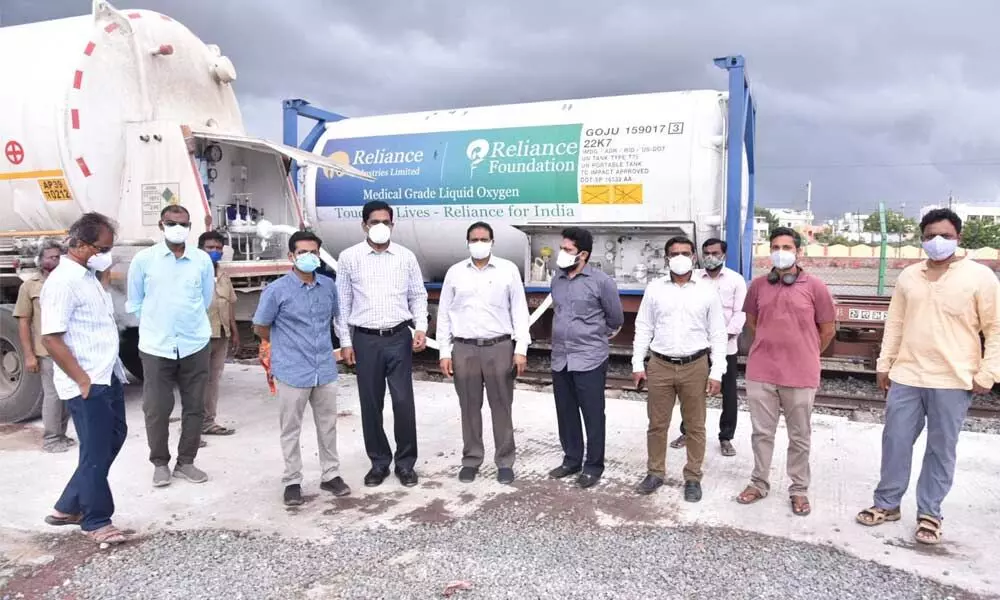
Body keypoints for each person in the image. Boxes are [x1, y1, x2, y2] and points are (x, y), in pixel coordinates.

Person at [856, 208, 1000, 545]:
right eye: (931, 235)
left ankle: (930, 513)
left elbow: (995, 329)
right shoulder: (909, 276)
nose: (938, 242)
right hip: (907, 374)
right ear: (922, 239)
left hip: (953, 378)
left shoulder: (980, 278)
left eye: (946, 236)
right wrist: (884, 364)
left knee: (941, 449)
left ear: (958, 238)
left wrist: (989, 372)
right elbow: (894, 324)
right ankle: (887, 504)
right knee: (895, 442)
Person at [41, 212, 130, 545]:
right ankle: (96, 520)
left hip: (107, 373)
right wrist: (81, 380)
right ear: (77, 243)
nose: (105, 254)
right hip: (87, 380)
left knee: (114, 437)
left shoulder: (88, 276)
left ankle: (67, 505)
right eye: (101, 247)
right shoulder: (62, 283)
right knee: (95, 450)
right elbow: (51, 338)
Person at [735, 226, 835, 516]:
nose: (780, 252)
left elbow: (827, 330)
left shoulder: (815, 286)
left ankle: (799, 489)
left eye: (787, 247)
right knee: (761, 432)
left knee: (799, 435)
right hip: (762, 370)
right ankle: (759, 482)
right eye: (775, 247)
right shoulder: (758, 286)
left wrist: (805, 350)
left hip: (801, 373)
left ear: (798, 252)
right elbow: (753, 322)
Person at [253, 230, 351, 506]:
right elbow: (260, 326)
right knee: (291, 428)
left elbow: (337, 318)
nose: (309, 257)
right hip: (292, 370)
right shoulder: (277, 290)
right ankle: (292, 480)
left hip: (324, 368)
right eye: (303, 253)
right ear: (291, 256)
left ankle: (331, 474)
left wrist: (344, 345)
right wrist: (285, 347)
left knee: (328, 425)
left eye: (313, 252)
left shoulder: (328, 286)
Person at [337, 200, 428, 488]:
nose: (380, 227)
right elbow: (342, 303)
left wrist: (421, 327)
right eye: (374, 222)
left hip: (398, 337)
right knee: (371, 404)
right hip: (365, 340)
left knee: (403, 403)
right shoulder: (349, 257)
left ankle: (405, 464)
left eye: (385, 222)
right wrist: (346, 341)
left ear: (393, 224)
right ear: (364, 225)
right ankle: (378, 462)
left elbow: (418, 294)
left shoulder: (405, 257)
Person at [632, 236, 727, 501]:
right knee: (657, 424)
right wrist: (637, 363)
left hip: (695, 365)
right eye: (674, 253)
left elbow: (718, 333)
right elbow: (644, 327)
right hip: (660, 364)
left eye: (685, 252)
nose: (680, 257)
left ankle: (693, 477)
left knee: (696, 426)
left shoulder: (707, 291)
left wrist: (717, 371)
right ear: (666, 259)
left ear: (694, 257)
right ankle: (655, 472)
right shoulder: (655, 289)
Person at [127, 204, 215, 488]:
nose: (178, 228)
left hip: (194, 343)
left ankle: (186, 462)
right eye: (172, 222)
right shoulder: (144, 260)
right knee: (156, 408)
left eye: (184, 224)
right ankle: (160, 463)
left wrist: (186, 324)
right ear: (161, 225)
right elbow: (136, 301)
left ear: (190, 227)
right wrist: (158, 323)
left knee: (194, 406)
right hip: (156, 346)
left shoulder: (201, 260)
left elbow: (205, 299)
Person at [437, 222, 531, 485]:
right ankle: (472, 459)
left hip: (499, 346)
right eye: (474, 239)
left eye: (484, 239)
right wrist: (445, 351)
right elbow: (444, 314)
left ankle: (504, 461)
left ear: (492, 241)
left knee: (502, 406)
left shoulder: (508, 270)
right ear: (467, 242)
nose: (479, 243)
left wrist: (520, 349)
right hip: (464, 348)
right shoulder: (455, 273)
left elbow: (519, 312)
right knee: (469, 406)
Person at [547, 227, 625, 489]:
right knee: (566, 412)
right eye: (562, 248)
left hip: (590, 357)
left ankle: (593, 466)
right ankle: (571, 460)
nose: (562, 253)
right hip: (561, 357)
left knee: (592, 414)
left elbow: (615, 318)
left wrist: (592, 334)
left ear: (583, 254)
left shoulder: (602, 282)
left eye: (567, 249)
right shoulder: (557, 280)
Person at [671, 238, 747, 456]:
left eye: (715, 253)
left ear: (724, 255)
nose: (710, 257)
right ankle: (687, 431)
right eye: (706, 253)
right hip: (696, 349)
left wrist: (722, 339)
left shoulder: (736, 280)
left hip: (726, 348)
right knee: (692, 393)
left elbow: (740, 313)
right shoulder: (693, 277)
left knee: (729, 394)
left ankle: (726, 437)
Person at [13, 240, 74, 452]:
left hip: (68, 349)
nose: (56, 261)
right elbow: (23, 322)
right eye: (51, 257)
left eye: (59, 257)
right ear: (41, 260)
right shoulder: (30, 286)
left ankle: (61, 435)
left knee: (67, 394)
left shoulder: (68, 282)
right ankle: (51, 440)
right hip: (46, 351)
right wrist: (29, 355)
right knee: (53, 395)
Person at [198, 231, 240, 437]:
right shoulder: (194, 272)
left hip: (221, 334)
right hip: (200, 336)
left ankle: (208, 421)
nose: (214, 252)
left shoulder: (223, 274)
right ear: (200, 249)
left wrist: (234, 331)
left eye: (217, 248)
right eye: (209, 248)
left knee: (213, 380)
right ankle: (192, 427)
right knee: (196, 381)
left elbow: (229, 303)